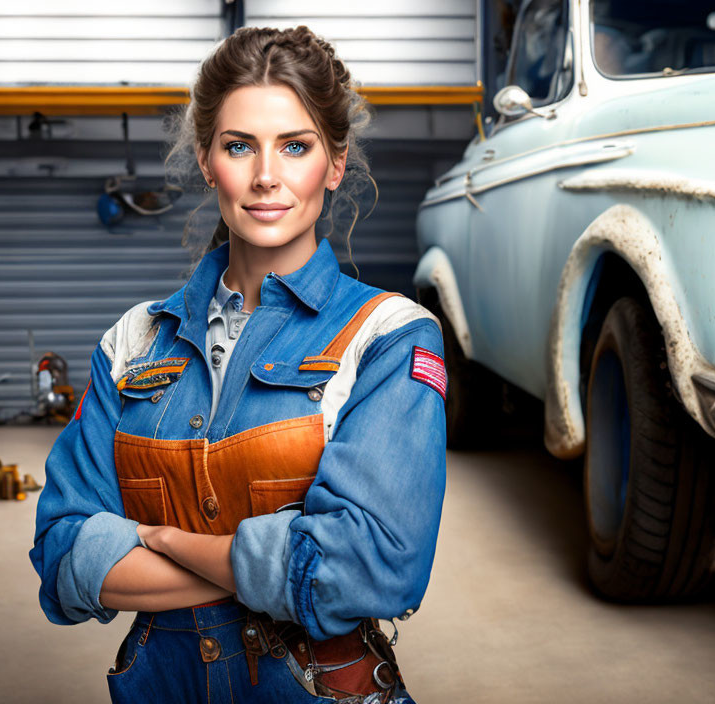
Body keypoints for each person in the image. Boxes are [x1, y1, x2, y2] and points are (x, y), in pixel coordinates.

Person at [29, 25, 447, 704]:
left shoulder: (391, 336)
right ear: (206, 160)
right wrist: (279, 563)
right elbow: (62, 555)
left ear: (334, 164)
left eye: (295, 146)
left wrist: (155, 538)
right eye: (238, 146)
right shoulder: (132, 343)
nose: (265, 177)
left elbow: (373, 568)